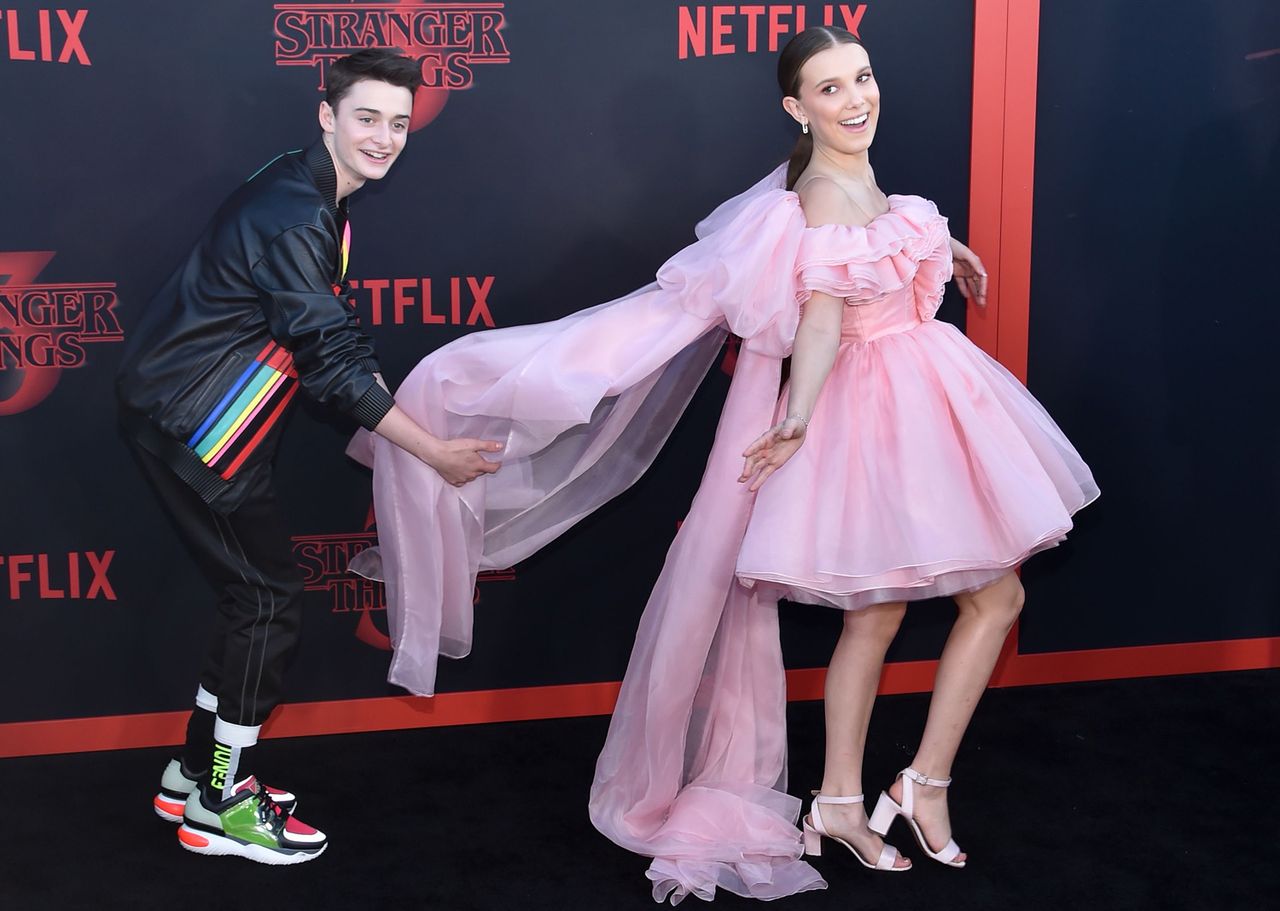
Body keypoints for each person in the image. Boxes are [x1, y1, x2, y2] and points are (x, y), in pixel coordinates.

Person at [350, 26, 1096, 901]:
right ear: (796, 107)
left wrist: (940, 247)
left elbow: (880, 241)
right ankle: (854, 800)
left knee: (944, 602)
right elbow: (820, 317)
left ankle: (908, 786)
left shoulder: (850, 174)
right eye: (830, 90)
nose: (856, 100)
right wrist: (799, 418)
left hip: (924, 396)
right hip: (871, 413)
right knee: (886, 611)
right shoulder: (818, 191)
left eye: (861, 78)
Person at [116, 48, 501, 865]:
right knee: (265, 600)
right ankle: (221, 800)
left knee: (250, 597)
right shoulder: (298, 210)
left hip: (183, 407)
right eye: (367, 117)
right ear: (326, 115)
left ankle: (194, 772)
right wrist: (432, 451)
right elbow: (328, 356)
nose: (385, 137)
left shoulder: (304, 184)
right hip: (200, 422)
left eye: (398, 123)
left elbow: (322, 343)